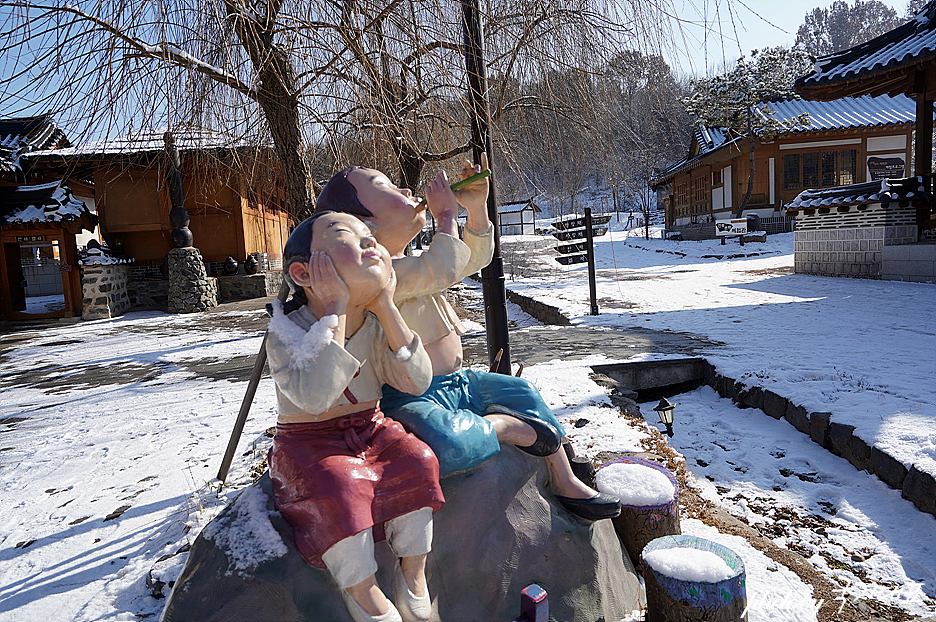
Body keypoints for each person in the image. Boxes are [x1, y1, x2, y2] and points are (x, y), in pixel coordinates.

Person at [314, 159, 620, 521]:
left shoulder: (408, 262)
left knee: (524, 393)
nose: (409, 191)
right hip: (415, 396)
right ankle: (505, 428)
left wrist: (475, 212)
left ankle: (565, 475)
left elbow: (465, 261)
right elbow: (443, 267)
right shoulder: (376, 276)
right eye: (389, 188)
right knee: (448, 445)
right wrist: (445, 219)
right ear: (364, 226)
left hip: (461, 381)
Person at [266, 211, 444, 622]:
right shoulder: (286, 330)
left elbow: (416, 382)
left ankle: (413, 573)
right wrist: (337, 309)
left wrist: (385, 306)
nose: (370, 244)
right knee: (338, 487)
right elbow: (314, 397)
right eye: (348, 236)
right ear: (303, 272)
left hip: (372, 428)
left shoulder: (376, 324)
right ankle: (363, 592)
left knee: (418, 461)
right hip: (308, 442)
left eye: (371, 236)